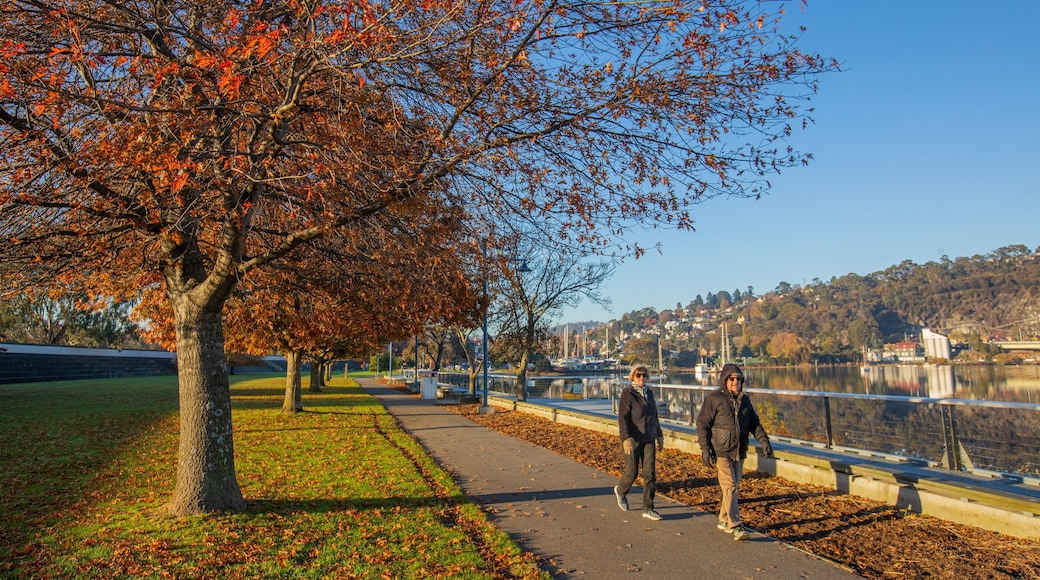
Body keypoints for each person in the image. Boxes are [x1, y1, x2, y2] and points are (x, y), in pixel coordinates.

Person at [696, 363, 773, 541]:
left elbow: (754, 423)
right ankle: (736, 525)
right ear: (725, 380)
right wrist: (706, 449)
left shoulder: (744, 400)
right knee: (729, 486)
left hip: (739, 449)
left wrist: (764, 441)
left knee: (733, 487)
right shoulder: (714, 398)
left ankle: (723, 519)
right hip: (721, 450)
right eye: (731, 379)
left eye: (738, 378)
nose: (735, 381)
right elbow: (702, 424)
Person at [614, 365, 665, 520]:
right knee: (632, 472)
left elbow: (654, 415)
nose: (641, 378)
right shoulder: (628, 393)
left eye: (644, 375)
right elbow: (623, 418)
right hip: (633, 439)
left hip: (649, 438)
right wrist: (626, 438)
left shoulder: (649, 393)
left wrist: (659, 435)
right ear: (633, 377)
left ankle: (648, 508)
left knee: (650, 474)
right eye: (638, 375)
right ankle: (621, 491)